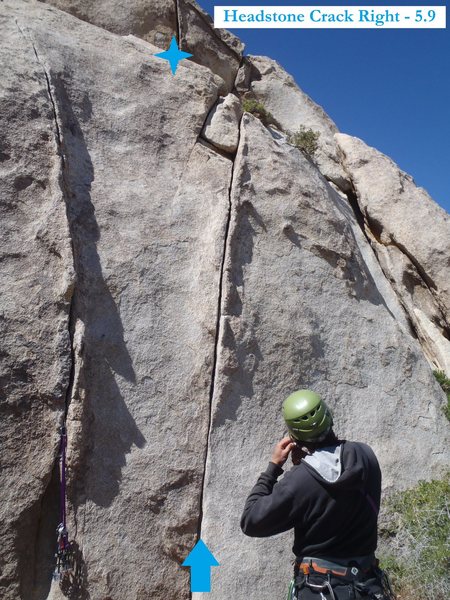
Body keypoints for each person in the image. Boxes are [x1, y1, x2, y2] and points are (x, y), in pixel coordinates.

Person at [240, 389, 395, 600]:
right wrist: (306, 463)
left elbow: (251, 521)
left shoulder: (300, 481)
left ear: (294, 436)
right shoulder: (365, 455)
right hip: (366, 585)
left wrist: (273, 468)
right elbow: (332, 477)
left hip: (320, 589)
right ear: (328, 416)